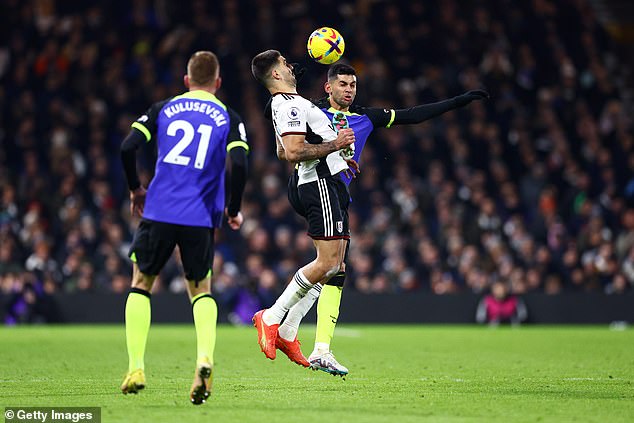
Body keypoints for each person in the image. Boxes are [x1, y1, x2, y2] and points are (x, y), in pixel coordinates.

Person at [270, 63, 489, 376]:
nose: (349, 89)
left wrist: (457, 102)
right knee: (330, 264)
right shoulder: (309, 107)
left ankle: (309, 342)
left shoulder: (366, 117)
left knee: (336, 268)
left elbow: (412, 114)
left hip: (334, 191)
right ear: (328, 87)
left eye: (353, 85)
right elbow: (281, 109)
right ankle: (280, 323)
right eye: (343, 84)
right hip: (311, 186)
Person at [119, 51, 249, 405]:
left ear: (186, 80)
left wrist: (135, 189)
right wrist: (233, 209)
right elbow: (239, 163)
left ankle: (135, 367)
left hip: (159, 210)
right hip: (199, 216)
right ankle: (204, 359)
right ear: (217, 83)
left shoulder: (164, 108)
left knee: (141, 283)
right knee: (200, 290)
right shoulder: (228, 115)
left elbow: (128, 146)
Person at [250, 50, 356, 371]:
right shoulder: (291, 103)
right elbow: (295, 151)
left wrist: (337, 156)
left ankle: (288, 330)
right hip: (318, 182)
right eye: (284, 62)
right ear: (277, 75)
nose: (290, 65)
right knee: (327, 263)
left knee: (335, 266)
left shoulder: (283, 105)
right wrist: (335, 146)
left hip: (325, 178)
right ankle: (270, 318)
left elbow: (282, 151)